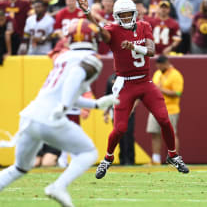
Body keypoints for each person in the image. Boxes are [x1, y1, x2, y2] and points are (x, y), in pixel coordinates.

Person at [0, 18, 119, 207]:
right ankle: (59, 186)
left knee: (19, 168)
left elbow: (66, 91)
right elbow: (74, 79)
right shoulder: (91, 59)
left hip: (30, 116)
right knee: (88, 152)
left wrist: (95, 105)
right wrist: (63, 107)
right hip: (51, 118)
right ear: (94, 39)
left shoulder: (63, 57)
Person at [76, 0, 189, 178]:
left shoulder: (144, 26)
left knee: (164, 119)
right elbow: (99, 31)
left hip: (145, 81)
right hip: (125, 83)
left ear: (135, 14)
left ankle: (173, 155)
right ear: (117, 16)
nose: (127, 18)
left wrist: (134, 47)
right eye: (124, 15)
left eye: (130, 14)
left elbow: (151, 51)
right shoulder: (112, 29)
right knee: (120, 128)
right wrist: (88, 13)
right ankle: (107, 158)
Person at [146, 55, 184, 165]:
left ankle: (174, 159)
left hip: (170, 109)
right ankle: (156, 160)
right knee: (154, 133)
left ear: (166, 63)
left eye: (160, 64)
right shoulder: (157, 74)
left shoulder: (176, 75)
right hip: (155, 108)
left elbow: (178, 93)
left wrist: (161, 89)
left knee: (172, 134)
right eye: (157, 65)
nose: (159, 67)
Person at [104, 73, 136, 165]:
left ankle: (130, 160)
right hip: (116, 111)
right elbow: (108, 96)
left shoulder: (129, 77)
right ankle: (122, 159)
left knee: (129, 134)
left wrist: (132, 108)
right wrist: (106, 113)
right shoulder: (111, 78)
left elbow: (136, 95)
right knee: (118, 135)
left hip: (128, 110)